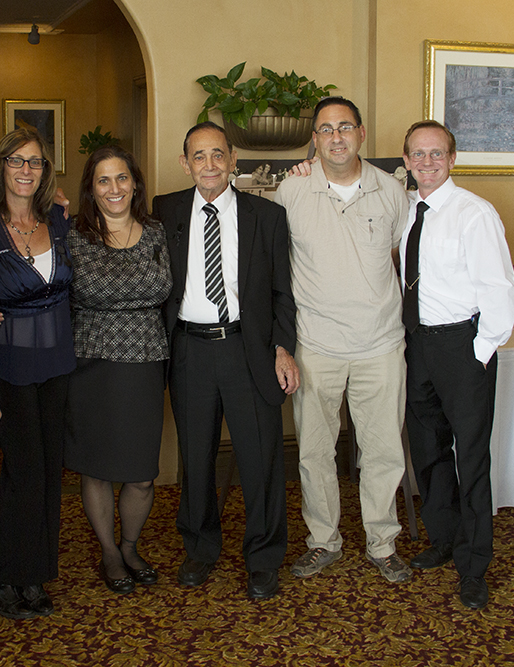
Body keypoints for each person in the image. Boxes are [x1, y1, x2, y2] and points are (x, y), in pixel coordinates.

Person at [154, 121, 299, 600]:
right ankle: (200, 547)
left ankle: (264, 556)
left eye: (218, 154)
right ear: (185, 163)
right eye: (199, 156)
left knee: (260, 458)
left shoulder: (267, 216)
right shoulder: (165, 211)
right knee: (196, 457)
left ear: (233, 160)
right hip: (190, 350)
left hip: (246, 349)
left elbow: (283, 292)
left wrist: (283, 348)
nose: (210, 165)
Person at [274, 97, 411, 583]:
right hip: (316, 346)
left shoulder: (391, 190)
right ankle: (323, 541)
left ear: (361, 133)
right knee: (315, 453)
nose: (336, 137)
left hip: (381, 345)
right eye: (326, 129)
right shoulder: (292, 189)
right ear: (314, 138)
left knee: (383, 452)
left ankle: (382, 542)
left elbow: (400, 256)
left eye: (345, 127)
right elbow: (276, 264)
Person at [398, 120, 514, 610]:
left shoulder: (475, 213)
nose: (426, 162)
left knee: (471, 458)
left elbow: (499, 288)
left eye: (436, 153)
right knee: (428, 450)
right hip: (416, 344)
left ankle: (474, 563)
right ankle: (444, 539)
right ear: (406, 161)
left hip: (462, 347)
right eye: (418, 154)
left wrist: (479, 351)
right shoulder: (407, 211)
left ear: (452, 158)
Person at [0, 128, 74, 618]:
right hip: (7, 365)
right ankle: (0, 572)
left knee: (50, 470)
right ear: (1, 167)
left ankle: (34, 573)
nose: (26, 170)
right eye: (16, 161)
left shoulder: (59, 220)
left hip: (57, 362)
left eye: (35, 162)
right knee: (24, 471)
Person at [65, 145, 172, 595]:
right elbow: (88, 288)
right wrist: (138, 290)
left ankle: (130, 545)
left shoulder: (157, 231)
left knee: (141, 473)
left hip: (145, 363)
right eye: (103, 180)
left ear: (135, 184)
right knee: (97, 469)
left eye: (122, 178)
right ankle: (109, 551)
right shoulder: (74, 235)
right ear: (91, 189)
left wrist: (112, 292)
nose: (114, 188)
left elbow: (162, 287)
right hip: (92, 364)